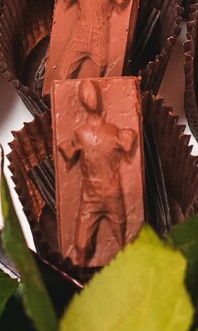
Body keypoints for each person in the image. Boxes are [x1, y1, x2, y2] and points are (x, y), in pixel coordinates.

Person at [57, 79, 138, 266]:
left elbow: (127, 146)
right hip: (91, 195)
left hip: (111, 192)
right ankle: (81, 268)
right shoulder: (80, 134)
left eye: (92, 95)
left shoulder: (112, 131)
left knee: (123, 238)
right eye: (88, 96)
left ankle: (131, 267)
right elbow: (69, 156)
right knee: (81, 244)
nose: (91, 100)